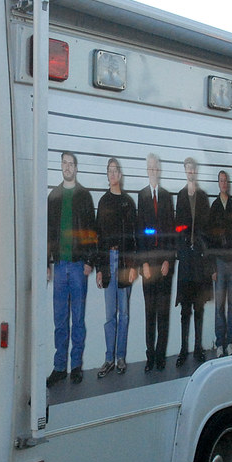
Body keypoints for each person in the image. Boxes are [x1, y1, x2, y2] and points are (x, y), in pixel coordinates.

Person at [46, 151, 96, 386]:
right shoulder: (53, 196)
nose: (67, 167)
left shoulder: (84, 196)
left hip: (77, 266)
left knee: (77, 319)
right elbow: (48, 233)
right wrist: (47, 262)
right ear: (61, 167)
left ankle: (75, 365)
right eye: (64, 163)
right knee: (59, 319)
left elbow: (90, 230)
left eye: (71, 164)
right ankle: (59, 367)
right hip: (59, 266)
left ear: (76, 167)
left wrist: (89, 261)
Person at [95, 158, 138, 377]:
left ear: (120, 175)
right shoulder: (102, 202)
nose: (113, 175)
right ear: (108, 175)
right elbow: (99, 237)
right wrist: (100, 269)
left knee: (125, 314)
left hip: (124, 262)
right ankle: (108, 359)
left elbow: (134, 238)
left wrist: (133, 266)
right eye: (109, 171)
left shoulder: (129, 203)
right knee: (110, 315)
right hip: (108, 261)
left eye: (115, 171)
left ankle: (121, 357)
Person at [136, 153, 175, 372]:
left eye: (156, 166)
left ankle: (161, 356)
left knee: (163, 313)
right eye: (150, 166)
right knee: (150, 313)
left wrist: (168, 261)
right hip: (148, 268)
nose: (153, 170)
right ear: (147, 170)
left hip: (164, 266)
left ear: (160, 170)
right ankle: (150, 356)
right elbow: (140, 233)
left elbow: (171, 232)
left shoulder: (168, 197)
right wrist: (144, 265)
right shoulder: (141, 197)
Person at [175, 157, 211, 366]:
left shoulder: (203, 196)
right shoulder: (180, 196)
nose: (190, 172)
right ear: (185, 171)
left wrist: (200, 244)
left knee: (199, 306)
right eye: (187, 169)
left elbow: (206, 226)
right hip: (185, 260)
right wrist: (182, 244)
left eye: (193, 169)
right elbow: (177, 225)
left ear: (196, 171)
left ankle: (198, 348)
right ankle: (183, 349)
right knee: (184, 308)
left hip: (198, 259)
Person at [209, 170, 232, 357]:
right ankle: (219, 344)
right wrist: (212, 268)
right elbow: (208, 240)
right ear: (218, 183)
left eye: (225, 181)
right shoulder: (214, 207)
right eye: (221, 180)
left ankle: (230, 342)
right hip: (219, 264)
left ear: (228, 184)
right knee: (219, 307)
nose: (224, 183)